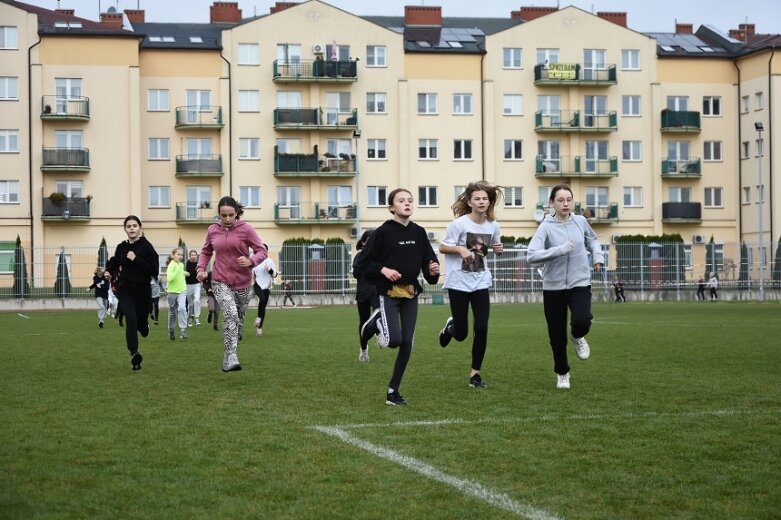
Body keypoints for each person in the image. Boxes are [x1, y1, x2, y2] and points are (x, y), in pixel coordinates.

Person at [356, 188, 441, 405]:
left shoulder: (419, 232)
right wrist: (383, 270)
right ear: (392, 207)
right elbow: (362, 263)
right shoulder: (383, 232)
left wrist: (433, 270)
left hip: (410, 294)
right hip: (388, 293)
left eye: (410, 200)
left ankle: (393, 391)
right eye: (401, 200)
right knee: (394, 340)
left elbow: (429, 263)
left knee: (407, 343)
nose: (407, 203)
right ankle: (373, 323)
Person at [527, 184, 604, 390]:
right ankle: (562, 373)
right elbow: (532, 255)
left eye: (569, 199)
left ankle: (578, 335)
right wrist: (559, 250)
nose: (565, 203)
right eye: (560, 200)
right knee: (556, 336)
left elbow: (594, 241)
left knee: (581, 320)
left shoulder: (580, 222)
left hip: (580, 282)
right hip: (553, 287)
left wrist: (598, 257)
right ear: (552, 203)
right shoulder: (545, 227)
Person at [437, 181, 503, 389]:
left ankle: (475, 375)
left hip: (481, 280)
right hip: (458, 282)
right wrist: (460, 250)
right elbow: (443, 247)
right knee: (462, 333)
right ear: (470, 201)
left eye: (485, 198)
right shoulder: (459, 224)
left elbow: (493, 248)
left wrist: (498, 249)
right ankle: (451, 328)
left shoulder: (493, 226)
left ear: (489, 201)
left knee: (481, 327)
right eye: (477, 198)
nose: (482, 201)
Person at [196, 196, 267, 372]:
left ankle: (230, 352)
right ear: (219, 214)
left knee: (238, 322)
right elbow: (206, 251)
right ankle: (231, 356)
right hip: (220, 280)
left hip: (243, 283)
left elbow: (262, 251)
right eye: (223, 215)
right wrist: (200, 269)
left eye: (231, 215)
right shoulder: (213, 230)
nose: (227, 219)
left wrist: (251, 261)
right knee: (230, 314)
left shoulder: (246, 229)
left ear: (236, 213)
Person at [104, 215, 159, 371]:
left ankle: (145, 326)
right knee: (131, 319)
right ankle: (134, 353)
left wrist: (136, 259)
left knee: (141, 326)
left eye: (134, 225)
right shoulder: (122, 247)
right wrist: (109, 271)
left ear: (139, 227)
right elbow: (115, 261)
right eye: (129, 226)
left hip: (143, 291)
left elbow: (154, 270)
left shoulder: (146, 246)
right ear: (125, 229)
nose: (132, 228)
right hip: (126, 289)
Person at [352, 230, 378, 364]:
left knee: (380, 314)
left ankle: (380, 334)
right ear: (363, 242)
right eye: (369, 241)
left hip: (377, 292)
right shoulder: (359, 257)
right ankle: (363, 349)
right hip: (363, 293)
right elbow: (356, 273)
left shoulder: (380, 257)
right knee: (364, 321)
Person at [251, 243, 276, 336]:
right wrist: (252, 282)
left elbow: (274, 274)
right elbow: (253, 274)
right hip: (257, 285)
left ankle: (259, 329)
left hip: (267, 287)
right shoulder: (255, 261)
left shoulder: (270, 261)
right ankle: (258, 320)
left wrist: (268, 270)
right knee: (262, 299)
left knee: (263, 307)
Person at [165, 247, 188, 340]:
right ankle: (171, 329)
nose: (180, 256)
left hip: (182, 290)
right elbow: (169, 278)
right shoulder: (171, 265)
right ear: (173, 255)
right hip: (172, 292)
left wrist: (184, 272)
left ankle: (183, 330)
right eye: (178, 254)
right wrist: (178, 271)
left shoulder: (181, 264)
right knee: (172, 313)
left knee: (182, 308)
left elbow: (180, 272)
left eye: (181, 255)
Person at [185, 249, 202, 326]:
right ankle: (190, 320)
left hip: (197, 284)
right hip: (188, 285)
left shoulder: (199, 264)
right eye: (192, 255)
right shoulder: (188, 263)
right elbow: (190, 272)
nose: (193, 256)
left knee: (197, 300)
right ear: (190, 256)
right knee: (190, 304)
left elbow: (198, 273)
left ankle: (197, 317)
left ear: (196, 256)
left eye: (195, 255)